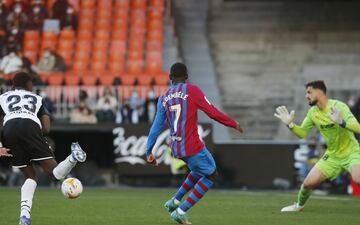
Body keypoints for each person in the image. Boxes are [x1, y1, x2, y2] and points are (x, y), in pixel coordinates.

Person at [145, 62, 243, 224]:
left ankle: (174, 202)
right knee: (211, 175)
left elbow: (156, 127)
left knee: (198, 170)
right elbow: (212, 112)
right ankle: (180, 212)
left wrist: (149, 152)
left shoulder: (163, 98)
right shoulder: (192, 90)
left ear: (170, 78)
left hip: (176, 147)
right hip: (191, 146)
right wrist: (232, 123)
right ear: (186, 77)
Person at [0, 72, 87, 225]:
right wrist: (32, 137)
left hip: (9, 130)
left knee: (30, 177)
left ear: (13, 85)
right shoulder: (37, 99)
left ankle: (24, 217)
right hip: (31, 127)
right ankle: (72, 158)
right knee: (55, 174)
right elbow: (46, 128)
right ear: (29, 85)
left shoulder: (2, 97)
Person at [274, 80, 360, 212]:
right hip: (332, 155)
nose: (306, 96)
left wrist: (342, 122)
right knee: (308, 183)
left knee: (358, 178)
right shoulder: (313, 113)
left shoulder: (339, 106)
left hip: (352, 152)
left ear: (320, 92)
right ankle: (299, 206)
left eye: (309, 92)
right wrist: (290, 125)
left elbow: (358, 128)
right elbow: (302, 133)